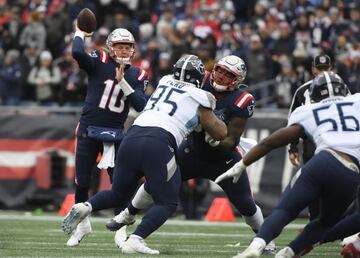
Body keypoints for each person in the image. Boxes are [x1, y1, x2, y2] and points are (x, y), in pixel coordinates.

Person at [106, 55, 275, 253]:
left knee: (246, 204)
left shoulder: (241, 100)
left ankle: (266, 239)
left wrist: (217, 142)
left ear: (237, 80)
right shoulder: (198, 83)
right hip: (191, 151)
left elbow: (232, 139)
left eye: (228, 74)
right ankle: (128, 214)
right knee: (155, 183)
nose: (221, 76)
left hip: (223, 159)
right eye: (219, 70)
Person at [62, 54, 228, 254]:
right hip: (159, 142)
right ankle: (136, 240)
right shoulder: (202, 98)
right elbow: (220, 132)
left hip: (132, 136)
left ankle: (86, 206)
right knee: (167, 202)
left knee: (117, 194)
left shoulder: (165, 82)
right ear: (199, 78)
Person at [215, 71, 360, 258]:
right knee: (326, 222)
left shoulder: (308, 111)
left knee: (284, 210)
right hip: (350, 171)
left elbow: (271, 142)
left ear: (314, 94)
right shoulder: (357, 102)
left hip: (323, 162)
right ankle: (288, 252)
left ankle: (256, 246)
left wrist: (242, 164)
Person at [66, 24, 148, 247]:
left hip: (114, 134)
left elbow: (141, 105)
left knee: (119, 184)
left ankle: (120, 230)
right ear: (111, 47)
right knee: (82, 182)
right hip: (88, 129)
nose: (123, 50)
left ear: (133, 48)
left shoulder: (138, 73)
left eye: (127, 46)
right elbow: (76, 52)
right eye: (119, 46)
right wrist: (80, 32)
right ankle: (83, 226)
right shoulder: (100, 59)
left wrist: (123, 82)